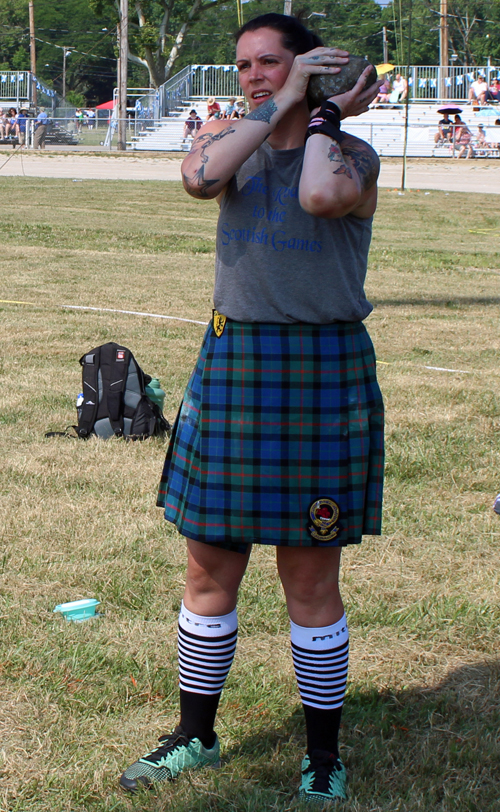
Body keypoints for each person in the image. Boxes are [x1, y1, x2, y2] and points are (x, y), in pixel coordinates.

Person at [119, 12, 384, 807]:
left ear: (308, 67)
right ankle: (195, 734)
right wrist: (272, 107)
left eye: (271, 62)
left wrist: (324, 112)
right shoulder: (229, 145)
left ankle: (323, 756)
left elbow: (318, 193)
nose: (254, 75)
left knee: (308, 577)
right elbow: (198, 180)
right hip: (235, 366)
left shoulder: (350, 154)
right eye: (244, 65)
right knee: (209, 566)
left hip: (317, 372)